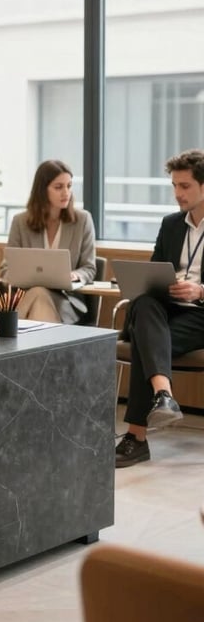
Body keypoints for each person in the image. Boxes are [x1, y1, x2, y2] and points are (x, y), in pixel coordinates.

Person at [115, 149, 204, 468]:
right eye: (175, 186)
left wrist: (200, 290)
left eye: (185, 186)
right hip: (168, 309)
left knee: (143, 337)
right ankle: (163, 395)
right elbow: (154, 271)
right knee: (144, 302)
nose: (178, 194)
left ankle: (136, 438)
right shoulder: (170, 224)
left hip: (201, 314)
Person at [1, 160, 96, 323]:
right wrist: (19, 276)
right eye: (58, 187)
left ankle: (7, 325)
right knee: (38, 292)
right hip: (28, 296)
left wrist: (75, 275)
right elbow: (6, 269)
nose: (66, 193)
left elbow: (89, 268)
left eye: (69, 186)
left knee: (39, 294)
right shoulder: (20, 222)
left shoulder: (82, 220)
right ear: (42, 190)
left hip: (68, 302)